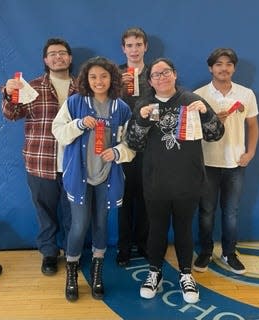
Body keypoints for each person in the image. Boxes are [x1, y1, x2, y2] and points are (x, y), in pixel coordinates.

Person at [126, 58, 224, 304]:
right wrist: (141, 120)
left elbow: (215, 134)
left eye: (166, 72)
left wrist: (206, 112)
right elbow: (133, 143)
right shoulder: (143, 104)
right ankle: (154, 272)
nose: (161, 77)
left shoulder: (191, 100)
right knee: (156, 229)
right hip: (155, 180)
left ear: (175, 74)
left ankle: (186, 274)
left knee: (183, 230)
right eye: (156, 74)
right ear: (149, 81)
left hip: (187, 180)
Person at [52, 56, 135, 302]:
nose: (99, 81)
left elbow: (130, 143)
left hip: (107, 176)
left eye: (104, 76)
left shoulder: (121, 108)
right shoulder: (75, 103)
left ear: (112, 79)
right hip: (80, 177)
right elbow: (58, 131)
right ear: (85, 80)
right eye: (93, 77)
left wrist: (118, 151)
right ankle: (72, 275)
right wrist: (78, 124)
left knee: (101, 225)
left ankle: (98, 275)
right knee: (78, 226)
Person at [1, 38, 77, 275]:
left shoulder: (83, 87)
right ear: (45, 60)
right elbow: (12, 114)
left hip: (76, 163)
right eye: (52, 53)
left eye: (62, 53)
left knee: (74, 214)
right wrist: (8, 93)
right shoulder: (31, 87)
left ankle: (72, 253)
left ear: (70, 58)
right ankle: (49, 254)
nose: (58, 57)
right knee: (45, 212)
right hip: (40, 162)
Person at [193, 48, 259, 275]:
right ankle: (205, 251)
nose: (224, 68)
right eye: (219, 64)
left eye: (228, 64)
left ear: (234, 68)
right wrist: (211, 122)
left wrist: (250, 153)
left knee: (231, 212)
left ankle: (229, 252)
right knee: (206, 211)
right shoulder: (199, 95)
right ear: (210, 67)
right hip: (208, 162)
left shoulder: (246, 94)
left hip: (235, 163)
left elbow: (253, 126)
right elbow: (191, 130)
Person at [116, 27, 150, 267]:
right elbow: (104, 104)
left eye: (138, 45)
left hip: (150, 147)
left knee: (148, 200)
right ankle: (124, 248)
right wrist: (117, 87)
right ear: (123, 49)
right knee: (124, 201)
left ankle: (145, 245)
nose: (134, 50)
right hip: (123, 146)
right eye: (130, 45)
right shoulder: (113, 74)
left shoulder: (155, 73)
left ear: (145, 47)